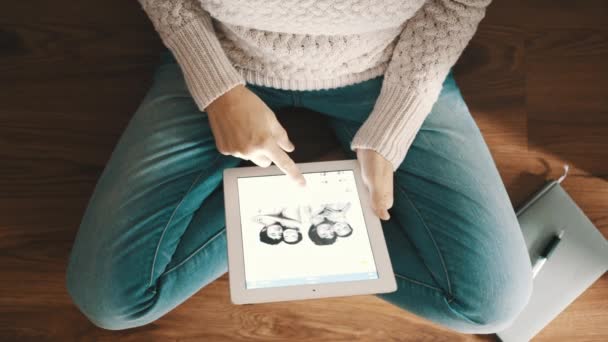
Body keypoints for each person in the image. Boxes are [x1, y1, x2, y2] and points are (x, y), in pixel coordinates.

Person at [66, 0, 533, 335]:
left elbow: (457, 6)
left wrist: (396, 121)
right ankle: (310, 195)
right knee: (111, 300)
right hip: (226, 59)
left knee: (490, 303)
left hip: (388, 68)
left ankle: (288, 198)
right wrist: (218, 91)